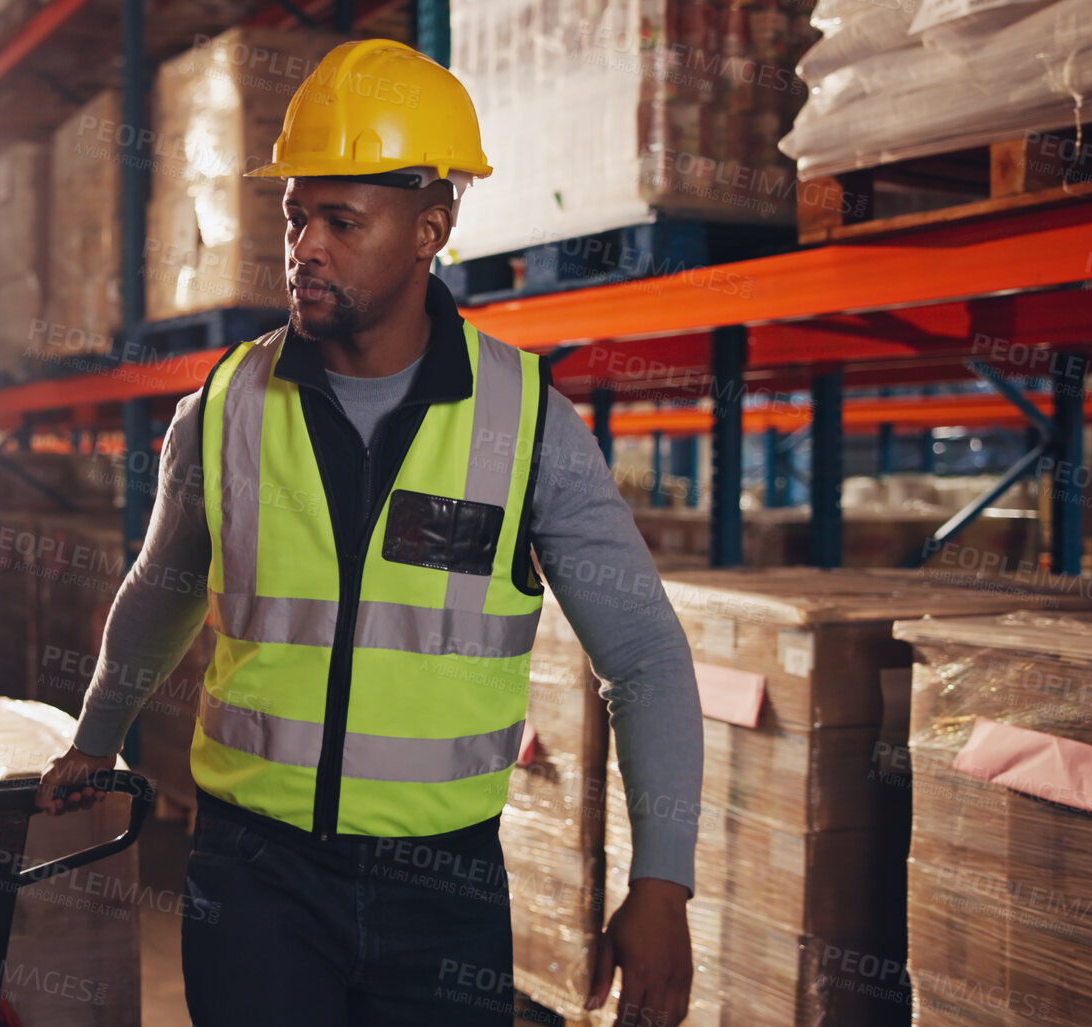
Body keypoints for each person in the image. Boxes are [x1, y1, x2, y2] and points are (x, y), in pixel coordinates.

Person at [38, 38, 701, 1027]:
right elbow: (166, 584)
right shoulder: (226, 404)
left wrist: (661, 885)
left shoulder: (524, 422)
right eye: (295, 214)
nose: (304, 246)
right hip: (252, 872)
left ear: (431, 226)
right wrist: (97, 735)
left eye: (341, 221)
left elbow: (643, 655)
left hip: (444, 886)